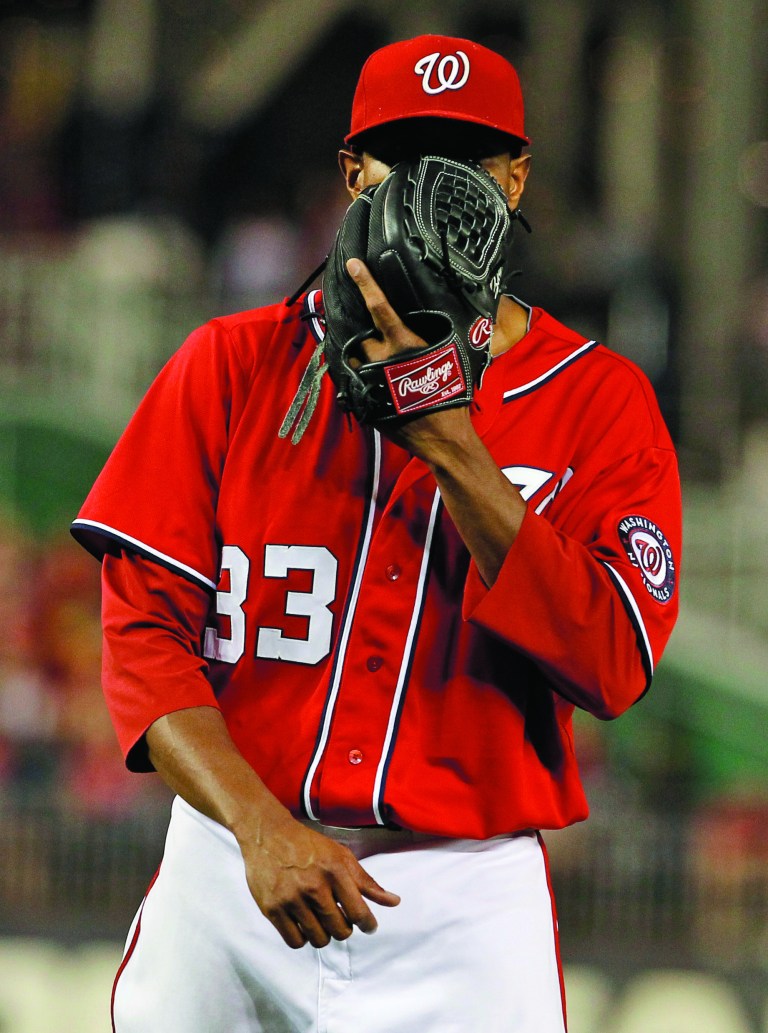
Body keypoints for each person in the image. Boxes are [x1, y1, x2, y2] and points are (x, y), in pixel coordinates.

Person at [71, 34, 681, 1033]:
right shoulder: (231, 365)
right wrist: (257, 827)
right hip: (234, 865)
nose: (433, 184)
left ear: (515, 180)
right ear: (354, 172)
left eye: (469, 158)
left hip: (461, 900)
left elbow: (613, 666)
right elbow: (143, 639)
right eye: (405, 154)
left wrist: (451, 442)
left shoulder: (596, 403)